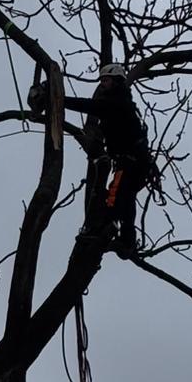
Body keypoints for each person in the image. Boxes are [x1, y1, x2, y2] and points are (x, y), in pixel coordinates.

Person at [28, 62, 158, 254]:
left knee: (114, 197)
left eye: (106, 80)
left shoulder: (118, 102)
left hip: (131, 162)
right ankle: (123, 239)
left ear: (116, 81)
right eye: (102, 80)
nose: (102, 84)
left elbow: (93, 106)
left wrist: (59, 99)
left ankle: (103, 232)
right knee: (124, 199)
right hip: (134, 163)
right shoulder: (118, 102)